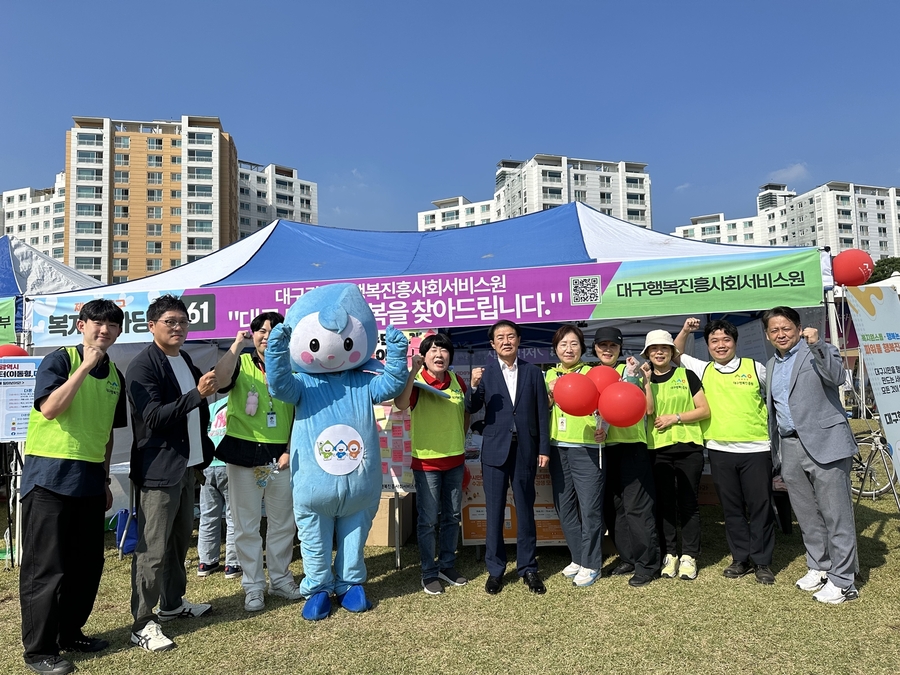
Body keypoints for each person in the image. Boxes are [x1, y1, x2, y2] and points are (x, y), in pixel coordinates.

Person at [19, 299, 126, 675]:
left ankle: (70, 632)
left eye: (113, 325)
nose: (105, 330)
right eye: (97, 323)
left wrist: (106, 476)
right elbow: (50, 409)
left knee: (86, 565)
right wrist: (84, 366)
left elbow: (108, 432)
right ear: (80, 325)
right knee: (46, 569)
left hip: (90, 481)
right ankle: (39, 651)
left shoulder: (115, 375)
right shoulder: (60, 360)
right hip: (49, 477)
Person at [127, 294, 217, 652]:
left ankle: (173, 604)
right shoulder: (143, 366)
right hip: (158, 471)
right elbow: (154, 417)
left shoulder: (185, 359)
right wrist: (196, 395)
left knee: (179, 542)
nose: (178, 327)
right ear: (152, 326)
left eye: (182, 321)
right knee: (152, 549)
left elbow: (202, 398)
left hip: (187, 467)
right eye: (170, 321)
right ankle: (141, 622)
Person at [763, 306, 860, 603]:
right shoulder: (771, 364)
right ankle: (819, 566)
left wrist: (817, 344)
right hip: (790, 445)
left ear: (798, 327)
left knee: (836, 513)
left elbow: (836, 376)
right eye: (774, 330)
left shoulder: (818, 350)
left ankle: (844, 581)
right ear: (767, 335)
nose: (781, 334)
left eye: (786, 328)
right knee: (806, 513)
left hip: (826, 442)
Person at [674, 318, 775, 585]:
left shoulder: (756, 368)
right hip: (720, 450)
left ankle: (762, 561)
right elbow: (676, 353)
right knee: (731, 509)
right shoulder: (703, 369)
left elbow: (776, 398)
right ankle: (740, 558)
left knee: (760, 506)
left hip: (756, 448)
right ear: (707, 346)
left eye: (726, 340)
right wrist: (685, 331)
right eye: (714, 341)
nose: (721, 345)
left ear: (735, 342)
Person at [212, 312, 300, 612]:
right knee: (246, 524)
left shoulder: (293, 367)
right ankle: (252, 585)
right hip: (243, 453)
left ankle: (280, 578)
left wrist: (289, 448)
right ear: (253, 334)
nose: (267, 335)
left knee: (283, 523)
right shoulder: (242, 362)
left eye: (275, 331)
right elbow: (218, 381)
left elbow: (301, 413)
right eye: (261, 330)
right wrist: (236, 345)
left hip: (282, 456)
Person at [465, 320, 550, 595]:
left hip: (525, 448)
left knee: (526, 509)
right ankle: (495, 570)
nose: (505, 341)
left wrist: (544, 449)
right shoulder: (486, 373)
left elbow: (542, 414)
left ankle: (528, 568)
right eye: (500, 337)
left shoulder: (533, 373)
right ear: (492, 344)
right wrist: (474, 386)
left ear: (519, 339)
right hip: (494, 450)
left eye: (510, 336)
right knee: (494, 511)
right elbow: (473, 407)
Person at [394, 333, 469, 595]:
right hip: (426, 463)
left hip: (456, 460)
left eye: (444, 350)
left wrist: (460, 439)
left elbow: (464, 413)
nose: (439, 355)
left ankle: (447, 565)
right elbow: (400, 404)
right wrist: (412, 372)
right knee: (427, 520)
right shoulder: (417, 382)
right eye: (433, 351)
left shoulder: (458, 381)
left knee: (452, 517)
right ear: (424, 357)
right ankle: (428, 572)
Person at [593, 327, 660, 588]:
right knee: (614, 508)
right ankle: (628, 557)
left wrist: (638, 380)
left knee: (637, 508)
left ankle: (647, 564)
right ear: (595, 349)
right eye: (602, 345)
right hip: (606, 449)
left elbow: (649, 408)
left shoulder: (632, 370)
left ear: (620, 348)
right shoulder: (593, 375)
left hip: (633, 446)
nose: (607, 350)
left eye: (613, 345)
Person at [643, 329, 710, 581]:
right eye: (653, 349)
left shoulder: (686, 375)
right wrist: (646, 382)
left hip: (688, 448)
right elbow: (648, 411)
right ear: (648, 354)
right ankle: (670, 553)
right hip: (658, 450)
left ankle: (689, 555)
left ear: (672, 352)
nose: (659, 352)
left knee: (688, 502)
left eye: (664, 348)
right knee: (665, 504)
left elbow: (704, 410)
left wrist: (675, 417)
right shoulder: (644, 380)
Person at [544, 325, 605, 587]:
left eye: (574, 344)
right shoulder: (549, 374)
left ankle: (592, 564)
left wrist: (606, 429)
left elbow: (608, 404)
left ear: (582, 347)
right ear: (555, 349)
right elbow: (543, 407)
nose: (568, 349)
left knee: (590, 507)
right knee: (564, 505)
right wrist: (550, 391)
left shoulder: (593, 373)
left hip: (587, 447)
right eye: (563, 345)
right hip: (558, 446)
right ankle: (578, 557)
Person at [196, 399, 240, 580]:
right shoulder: (240, 402)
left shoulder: (212, 406)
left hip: (208, 464)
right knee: (234, 515)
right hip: (229, 463)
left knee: (208, 515)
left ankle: (206, 561)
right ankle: (233, 563)